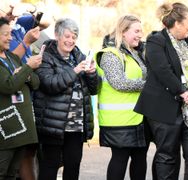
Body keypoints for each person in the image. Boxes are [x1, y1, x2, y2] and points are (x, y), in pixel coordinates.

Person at [134, 2, 188, 180]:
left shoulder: (187, 41)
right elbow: (163, 72)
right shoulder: (155, 41)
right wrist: (186, 95)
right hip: (164, 109)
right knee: (168, 157)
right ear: (177, 23)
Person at [32, 18, 100, 180]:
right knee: (50, 165)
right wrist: (75, 70)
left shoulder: (79, 55)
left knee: (73, 166)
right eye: (67, 36)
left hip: (76, 126)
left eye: (74, 37)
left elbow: (94, 89)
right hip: (53, 125)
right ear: (57, 35)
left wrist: (91, 74)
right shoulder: (46, 57)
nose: (71, 41)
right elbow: (50, 84)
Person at [95, 15, 149, 180]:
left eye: (141, 31)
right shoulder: (111, 54)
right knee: (120, 159)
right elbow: (119, 83)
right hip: (118, 121)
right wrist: (148, 85)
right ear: (123, 32)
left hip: (137, 118)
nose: (140, 35)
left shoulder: (135, 53)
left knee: (140, 159)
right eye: (136, 31)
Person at [0, 17, 42, 180]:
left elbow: (36, 82)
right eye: (5, 34)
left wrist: (24, 73)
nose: (10, 38)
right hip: (6, 130)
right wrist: (27, 68)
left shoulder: (11, 57)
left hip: (21, 130)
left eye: (11, 34)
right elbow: (8, 86)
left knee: (12, 174)